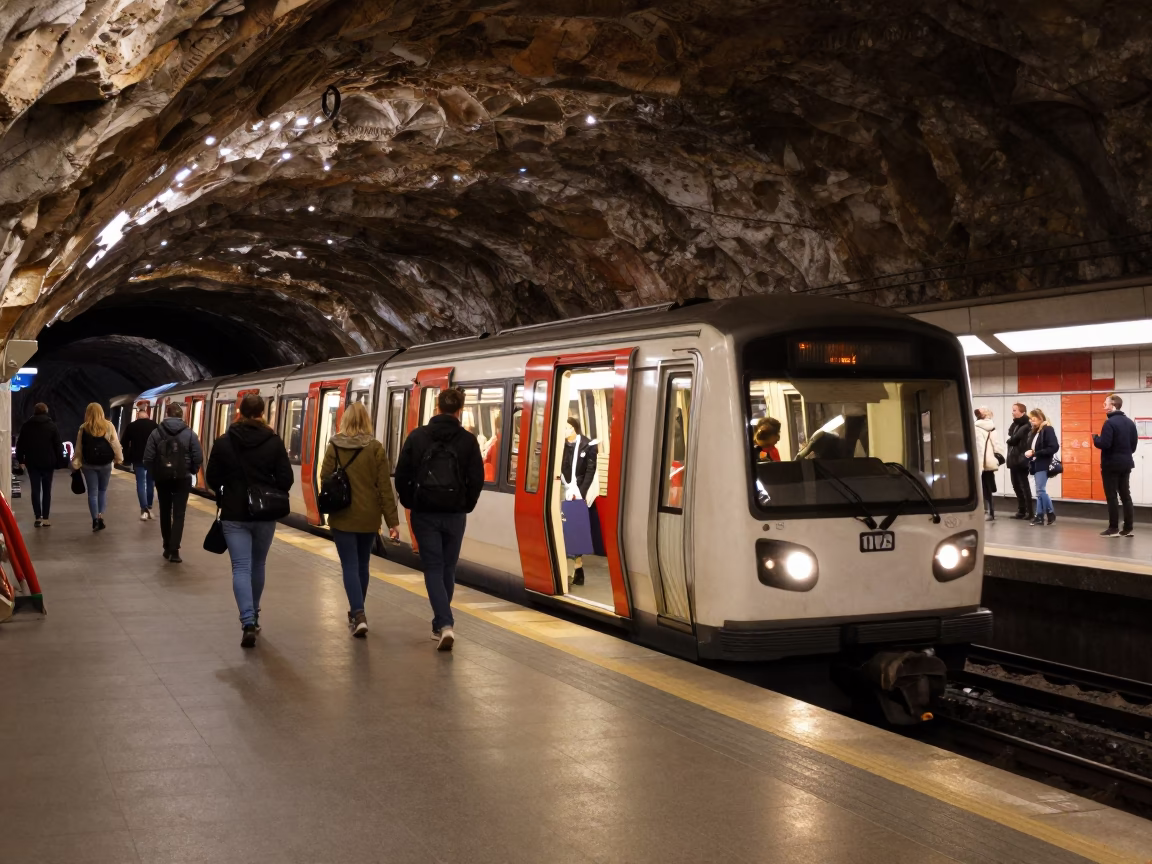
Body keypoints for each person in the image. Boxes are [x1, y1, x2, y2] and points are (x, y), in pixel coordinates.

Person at [394, 387, 484, 650]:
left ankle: (444, 624)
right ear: (460, 409)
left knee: (433, 567)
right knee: (448, 567)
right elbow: (476, 479)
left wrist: (412, 502)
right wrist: (466, 504)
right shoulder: (468, 440)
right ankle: (440, 624)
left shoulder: (418, 436)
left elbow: (402, 475)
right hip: (455, 514)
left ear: (437, 407)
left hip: (425, 513)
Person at [205, 393, 293, 647]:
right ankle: (254, 612)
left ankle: (247, 621)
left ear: (239, 412)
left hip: (234, 514)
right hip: (265, 514)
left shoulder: (223, 442)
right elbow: (286, 480)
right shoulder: (274, 442)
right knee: (259, 564)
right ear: (262, 413)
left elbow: (212, 479)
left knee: (241, 568)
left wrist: (230, 488)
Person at [319, 401, 400, 637]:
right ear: (366, 421)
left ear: (345, 421)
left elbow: (325, 476)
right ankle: (358, 612)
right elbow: (384, 487)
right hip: (368, 516)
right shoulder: (375, 447)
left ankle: (358, 613)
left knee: (349, 566)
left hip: (342, 515)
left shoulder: (334, 445)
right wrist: (392, 522)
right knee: (363, 564)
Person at [143, 403, 204, 563]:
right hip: (183, 478)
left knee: (164, 510)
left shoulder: (156, 433)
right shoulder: (190, 434)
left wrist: (155, 473)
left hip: (162, 478)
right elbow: (198, 456)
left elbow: (148, 458)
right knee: (179, 514)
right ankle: (175, 551)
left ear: (166, 414)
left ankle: (166, 546)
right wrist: (191, 470)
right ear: (181, 415)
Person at [559, 417, 598, 586]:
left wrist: (581, 491)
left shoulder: (587, 445)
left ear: (574, 428)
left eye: (567, 428)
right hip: (561, 487)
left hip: (577, 490)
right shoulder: (559, 444)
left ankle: (578, 566)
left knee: (575, 528)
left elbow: (590, 469)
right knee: (564, 528)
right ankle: (570, 569)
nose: (565, 431)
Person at [1093, 393, 1139, 538]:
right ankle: (1128, 528)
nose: (1104, 405)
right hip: (1126, 463)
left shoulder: (1110, 423)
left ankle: (1113, 528)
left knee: (1112, 496)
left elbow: (1105, 444)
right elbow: (1133, 446)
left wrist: (1095, 439)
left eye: (1105, 403)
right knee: (1126, 496)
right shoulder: (1130, 423)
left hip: (1111, 465)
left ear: (1113, 405)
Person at [72, 403, 123, 532]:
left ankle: (94, 519)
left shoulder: (83, 428)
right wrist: (119, 458)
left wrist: (76, 462)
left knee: (92, 493)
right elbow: (115, 444)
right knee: (102, 491)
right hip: (105, 464)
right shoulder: (109, 426)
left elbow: (79, 447)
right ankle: (100, 516)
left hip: (88, 465)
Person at [15, 403, 63, 527]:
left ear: (34, 412)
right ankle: (46, 518)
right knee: (47, 490)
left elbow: (20, 445)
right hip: (48, 462)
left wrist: (21, 460)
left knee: (35, 490)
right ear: (46, 412)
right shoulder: (52, 426)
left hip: (32, 462)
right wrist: (59, 461)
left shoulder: (27, 426)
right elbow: (58, 445)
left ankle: (38, 517)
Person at [121, 406, 159, 521]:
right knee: (151, 482)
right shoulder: (154, 426)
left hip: (138, 459)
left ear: (138, 416)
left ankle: (143, 508)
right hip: (152, 459)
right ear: (147, 415)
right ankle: (150, 505)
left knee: (141, 483)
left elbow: (124, 442)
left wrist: (126, 457)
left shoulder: (131, 426)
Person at [1024, 408, 1059, 527]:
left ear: (1040, 418)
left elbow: (1054, 447)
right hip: (1036, 463)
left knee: (1040, 490)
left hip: (1043, 463)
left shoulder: (1047, 429)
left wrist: (1035, 453)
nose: (1031, 422)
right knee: (1040, 491)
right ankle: (1042, 515)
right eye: (1030, 420)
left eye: (1033, 419)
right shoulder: (1035, 431)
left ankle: (1047, 513)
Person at [974, 407, 1004, 521]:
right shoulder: (992, 427)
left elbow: (980, 448)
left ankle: (984, 512)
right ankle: (991, 512)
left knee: (980, 488)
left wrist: (979, 466)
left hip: (982, 463)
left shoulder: (977, 428)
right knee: (989, 487)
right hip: (990, 462)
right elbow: (997, 445)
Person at [1005, 402, 1034, 520]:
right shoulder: (1015, 425)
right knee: (1016, 485)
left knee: (1023, 485)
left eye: (1015, 410)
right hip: (1013, 459)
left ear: (1023, 412)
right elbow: (1012, 438)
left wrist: (1011, 440)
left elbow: (1015, 440)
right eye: (1012, 410)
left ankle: (1029, 512)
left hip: (1021, 459)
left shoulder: (1026, 425)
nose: (1013, 412)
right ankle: (1021, 510)